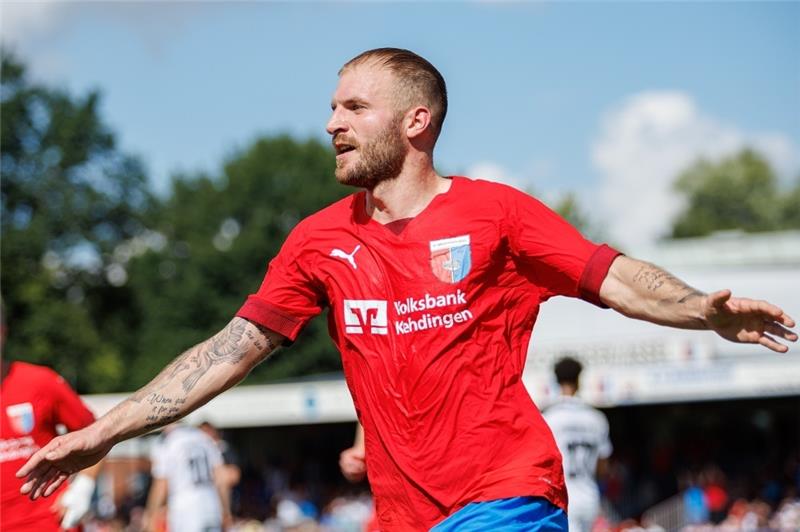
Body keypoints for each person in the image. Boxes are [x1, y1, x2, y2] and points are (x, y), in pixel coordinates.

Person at [17, 48, 797, 531]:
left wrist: (701, 309)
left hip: (509, 493)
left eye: (354, 107)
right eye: (331, 107)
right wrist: (105, 432)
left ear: (416, 121)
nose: (332, 124)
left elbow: (614, 275)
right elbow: (226, 354)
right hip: (402, 515)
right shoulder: (318, 240)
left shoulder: (497, 214)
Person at [0, 306, 101, 530]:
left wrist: (83, 486)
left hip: (47, 523)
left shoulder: (40, 382)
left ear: (3, 331)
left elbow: (97, 434)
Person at [543, 356, 612, 532]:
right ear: (579, 380)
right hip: (590, 497)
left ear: (556, 381)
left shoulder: (549, 418)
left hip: (562, 497)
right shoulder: (597, 418)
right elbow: (603, 467)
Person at [143, 423, 230, 532]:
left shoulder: (167, 442)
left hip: (185, 508)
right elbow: (221, 477)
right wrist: (226, 510)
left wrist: (150, 514)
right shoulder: (203, 437)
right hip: (211, 503)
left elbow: (161, 484)